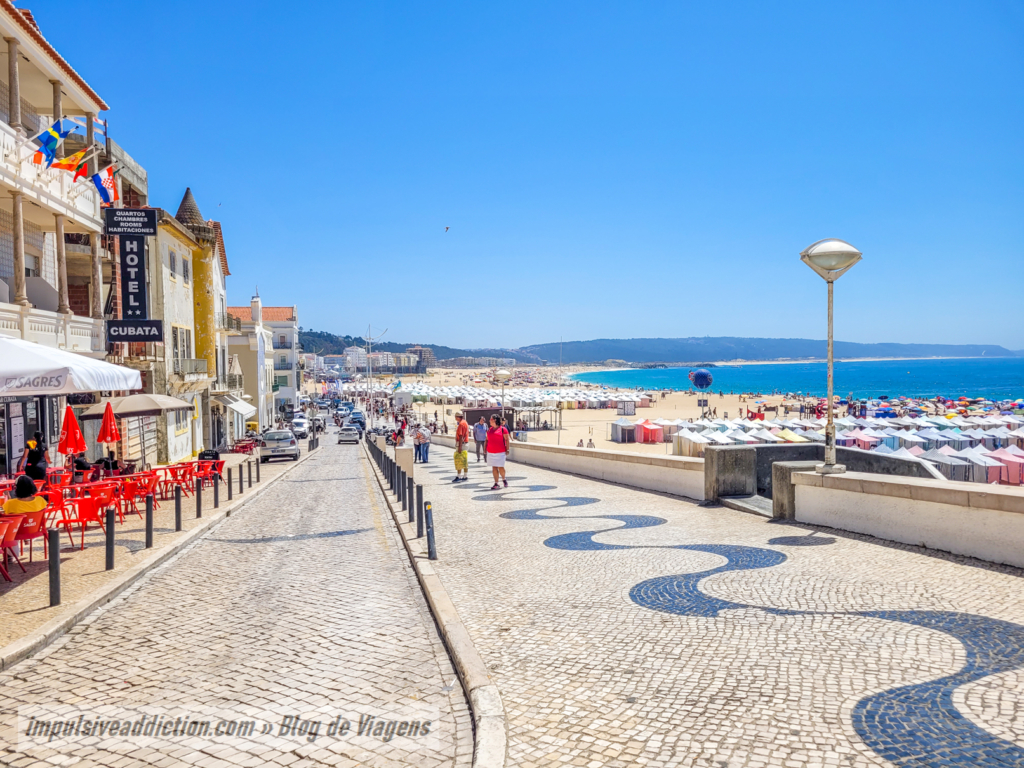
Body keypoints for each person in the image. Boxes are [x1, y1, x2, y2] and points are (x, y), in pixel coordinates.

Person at [485, 414, 510, 490]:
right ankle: (496, 483)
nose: (489, 421)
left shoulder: (503, 429)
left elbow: (507, 439)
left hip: (500, 452)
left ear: (495, 420)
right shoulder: (489, 429)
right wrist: (485, 449)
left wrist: (507, 449)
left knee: (500, 467)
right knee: (494, 467)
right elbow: (487, 439)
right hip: (491, 452)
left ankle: (504, 479)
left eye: (491, 419)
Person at [452, 412, 469, 482]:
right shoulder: (465, 422)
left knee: (459, 460)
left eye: (456, 417)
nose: (455, 418)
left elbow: (461, 435)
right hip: (465, 443)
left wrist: (459, 447)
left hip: (462, 444)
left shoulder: (461, 424)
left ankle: (459, 476)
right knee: (465, 461)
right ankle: (465, 476)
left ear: (458, 417)